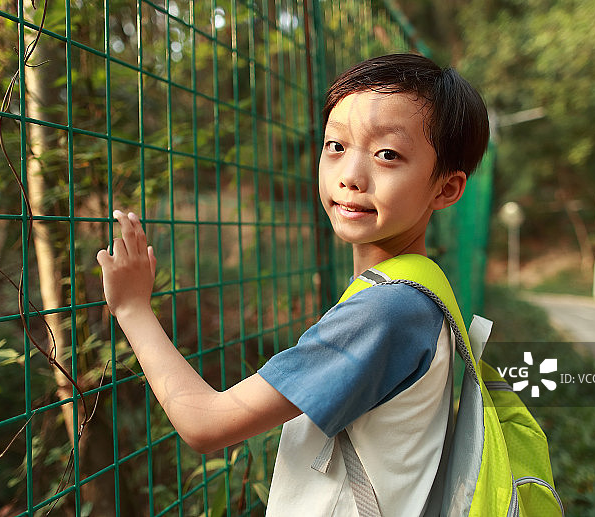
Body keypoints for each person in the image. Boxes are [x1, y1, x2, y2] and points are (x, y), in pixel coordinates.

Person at [97, 53, 489, 516]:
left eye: (387, 154)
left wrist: (133, 309)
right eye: (336, 146)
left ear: (445, 188)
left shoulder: (385, 313)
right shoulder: (421, 287)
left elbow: (204, 423)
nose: (350, 177)